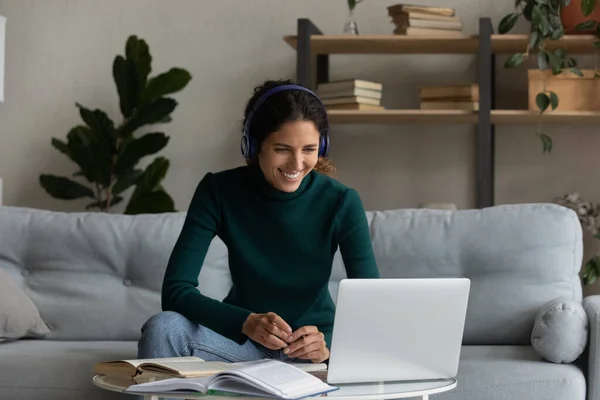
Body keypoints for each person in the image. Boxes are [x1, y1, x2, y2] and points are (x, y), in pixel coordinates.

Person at [138, 79, 380, 366]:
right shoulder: (218, 191)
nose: (296, 164)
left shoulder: (342, 201)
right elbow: (176, 291)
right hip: (240, 344)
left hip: (313, 354)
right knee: (162, 329)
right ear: (253, 145)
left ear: (322, 146)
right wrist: (245, 321)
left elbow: (372, 304)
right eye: (282, 149)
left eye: (309, 149)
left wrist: (329, 348)